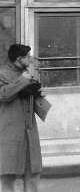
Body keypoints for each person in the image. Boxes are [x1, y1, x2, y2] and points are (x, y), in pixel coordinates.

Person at [0, 44, 43, 192]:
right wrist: (23, 81)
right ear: (19, 59)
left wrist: (38, 93)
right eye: (28, 57)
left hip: (29, 131)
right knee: (8, 174)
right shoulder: (2, 73)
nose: (30, 59)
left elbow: (31, 95)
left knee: (32, 172)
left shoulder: (27, 73)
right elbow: (3, 95)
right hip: (10, 131)